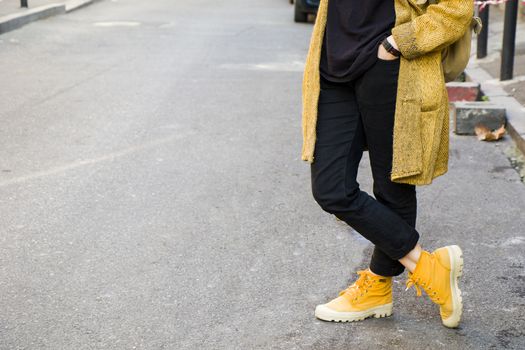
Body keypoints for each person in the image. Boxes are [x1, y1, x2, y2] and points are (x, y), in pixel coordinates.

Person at [300, 0, 474, 328]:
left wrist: (398, 43)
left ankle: (378, 287)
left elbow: (457, 8)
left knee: (394, 185)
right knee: (331, 188)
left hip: (392, 66)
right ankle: (428, 266)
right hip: (333, 65)